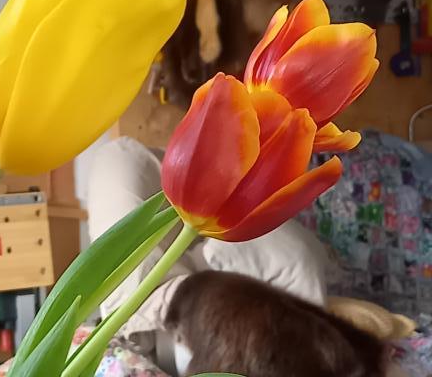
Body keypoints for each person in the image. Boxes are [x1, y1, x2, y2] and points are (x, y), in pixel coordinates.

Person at [87, 136, 332, 375]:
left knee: (117, 159)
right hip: (211, 282)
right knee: (120, 159)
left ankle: (179, 294)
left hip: (159, 316)